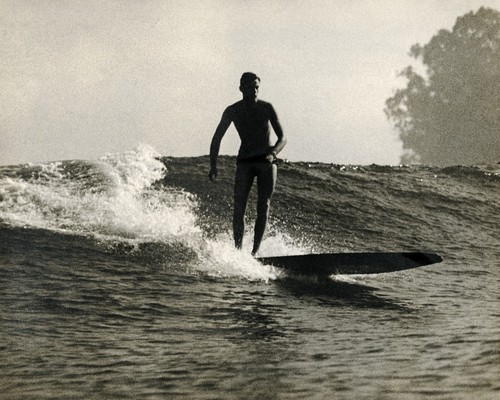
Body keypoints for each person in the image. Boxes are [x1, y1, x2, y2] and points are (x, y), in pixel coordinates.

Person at [208, 72, 286, 256]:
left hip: (266, 162)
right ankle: (237, 251)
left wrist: (273, 153)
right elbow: (217, 138)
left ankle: (255, 253)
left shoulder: (267, 108)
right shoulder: (233, 110)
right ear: (241, 88)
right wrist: (213, 165)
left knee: (263, 205)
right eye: (251, 87)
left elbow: (283, 138)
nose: (255, 91)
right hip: (244, 162)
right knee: (239, 207)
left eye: (257, 87)